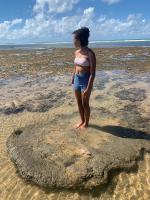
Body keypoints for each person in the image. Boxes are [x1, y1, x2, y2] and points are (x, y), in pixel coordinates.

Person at [71, 27, 96, 129]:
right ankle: (82, 121)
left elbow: (93, 73)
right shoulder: (76, 52)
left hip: (85, 80)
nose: (73, 41)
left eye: (74, 39)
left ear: (80, 39)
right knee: (79, 102)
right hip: (76, 79)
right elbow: (75, 66)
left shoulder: (90, 53)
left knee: (85, 103)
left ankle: (86, 124)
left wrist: (89, 87)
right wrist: (72, 77)